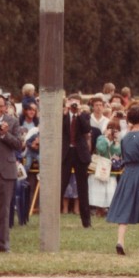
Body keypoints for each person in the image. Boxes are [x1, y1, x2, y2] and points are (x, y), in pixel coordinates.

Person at [105, 105, 139, 255]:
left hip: (128, 174)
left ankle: (120, 241)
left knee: (125, 206)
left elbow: (123, 157)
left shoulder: (125, 138)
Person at [0, 93, 22, 252]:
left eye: (1, 106)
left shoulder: (13, 121)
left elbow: (19, 145)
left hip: (6, 170)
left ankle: (3, 243)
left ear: (5, 107)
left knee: (4, 208)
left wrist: (4, 134)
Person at [62, 93, 93, 227]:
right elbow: (57, 128)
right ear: (67, 102)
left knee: (82, 188)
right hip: (66, 153)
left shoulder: (84, 115)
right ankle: (52, 218)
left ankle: (86, 222)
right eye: (71, 102)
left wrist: (79, 113)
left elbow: (87, 129)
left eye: (76, 103)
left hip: (80, 154)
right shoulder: (63, 115)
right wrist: (65, 112)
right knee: (60, 185)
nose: (74, 105)